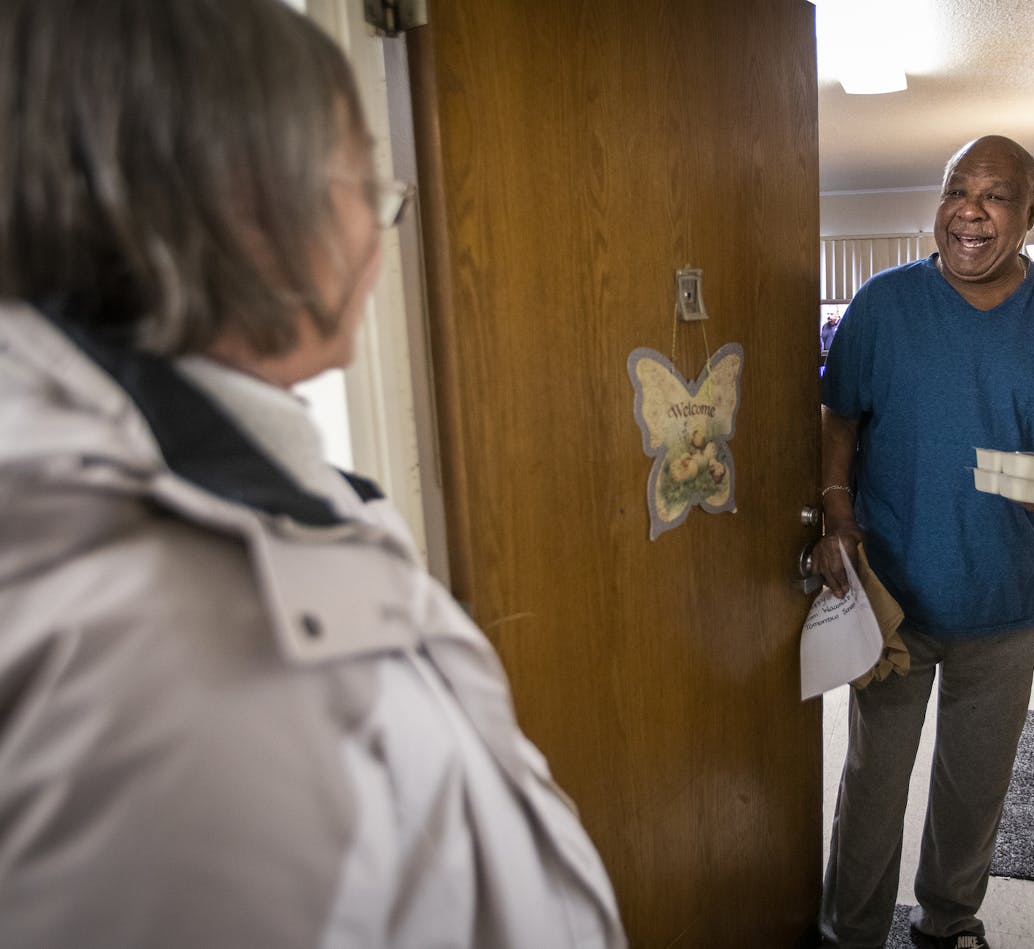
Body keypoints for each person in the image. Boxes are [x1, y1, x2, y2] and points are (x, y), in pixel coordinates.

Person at [0, 2, 625, 947]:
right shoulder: (161, 656)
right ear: (248, 203)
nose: (382, 227)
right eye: (363, 178)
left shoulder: (227, 481)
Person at [812, 135, 1034, 949]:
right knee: (874, 776)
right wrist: (837, 509)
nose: (971, 212)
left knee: (974, 785)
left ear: (1031, 214)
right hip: (895, 592)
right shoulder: (882, 303)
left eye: (997, 195)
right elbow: (839, 414)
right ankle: (851, 929)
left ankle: (948, 923)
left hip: (1004, 596)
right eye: (957, 190)